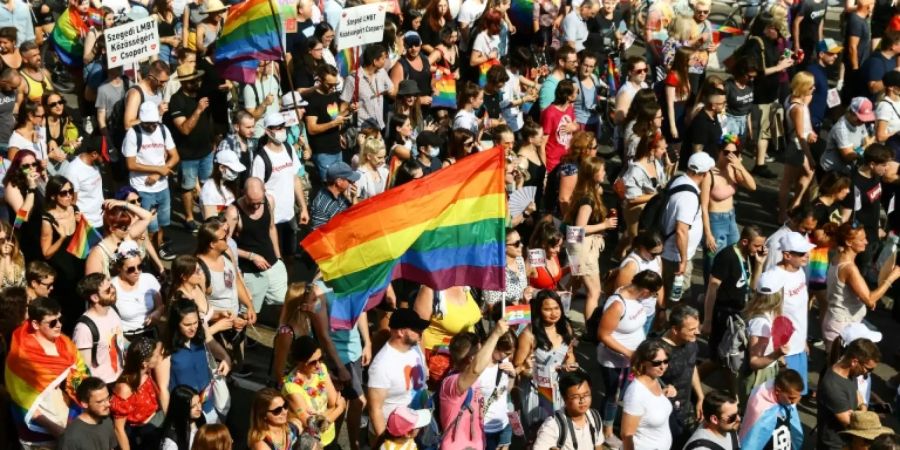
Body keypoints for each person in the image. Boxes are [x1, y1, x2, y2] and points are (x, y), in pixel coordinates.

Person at [5, 296, 89, 447]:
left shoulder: (65, 344)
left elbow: (79, 375)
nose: (59, 325)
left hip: (67, 420)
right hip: (40, 433)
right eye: (52, 322)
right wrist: (55, 429)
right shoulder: (21, 356)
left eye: (60, 319)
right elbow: (24, 402)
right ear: (36, 324)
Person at [823, 224, 900, 350]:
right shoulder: (849, 268)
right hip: (842, 327)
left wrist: (861, 299)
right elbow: (869, 299)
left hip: (836, 321)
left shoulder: (838, 256)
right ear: (848, 242)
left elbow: (848, 289)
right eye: (862, 239)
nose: (866, 241)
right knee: (840, 367)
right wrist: (891, 278)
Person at [437, 320, 510, 449]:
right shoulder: (451, 383)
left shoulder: (473, 380)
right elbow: (475, 369)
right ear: (472, 358)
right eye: (480, 353)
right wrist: (495, 335)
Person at [155, 299, 229, 423]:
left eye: (196, 323)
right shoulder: (164, 348)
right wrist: (172, 422)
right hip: (184, 413)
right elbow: (163, 389)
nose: (193, 328)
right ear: (175, 324)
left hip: (208, 405)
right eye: (187, 325)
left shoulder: (200, 335)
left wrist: (226, 358)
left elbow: (214, 346)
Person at [123, 101, 180, 260]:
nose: (151, 127)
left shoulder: (163, 129)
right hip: (142, 188)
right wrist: (157, 169)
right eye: (147, 124)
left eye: (154, 123)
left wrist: (158, 174)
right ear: (141, 120)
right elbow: (131, 164)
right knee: (144, 224)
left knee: (161, 223)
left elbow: (174, 156)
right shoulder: (133, 134)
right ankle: (144, 253)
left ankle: (158, 247)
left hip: (162, 186)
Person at [513, 290, 577, 430]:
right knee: (540, 431)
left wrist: (569, 364)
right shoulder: (529, 335)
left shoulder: (566, 328)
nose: (553, 313)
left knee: (559, 429)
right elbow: (517, 366)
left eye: (556, 308)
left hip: (560, 387)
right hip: (537, 390)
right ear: (538, 310)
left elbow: (570, 356)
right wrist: (527, 369)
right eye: (547, 309)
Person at [564, 156, 617, 319]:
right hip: (583, 248)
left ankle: (559, 312)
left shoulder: (590, 192)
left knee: (574, 283)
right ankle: (591, 328)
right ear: (593, 173)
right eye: (602, 170)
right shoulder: (587, 199)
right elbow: (579, 228)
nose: (605, 173)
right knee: (594, 291)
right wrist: (605, 225)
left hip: (578, 246)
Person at [251, 112, 310, 257]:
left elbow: (295, 179)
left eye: (282, 126)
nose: (281, 130)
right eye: (276, 128)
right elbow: (255, 192)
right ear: (267, 131)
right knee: (275, 258)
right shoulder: (261, 159)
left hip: (290, 216)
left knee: (290, 256)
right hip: (271, 220)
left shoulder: (289, 149)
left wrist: (303, 208)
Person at [702, 225, 766, 357]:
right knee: (717, 357)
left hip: (740, 313)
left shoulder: (751, 256)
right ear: (744, 242)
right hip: (723, 314)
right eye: (757, 245)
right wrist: (708, 321)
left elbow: (752, 287)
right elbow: (712, 289)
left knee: (731, 356)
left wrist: (759, 264)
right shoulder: (726, 257)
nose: (760, 249)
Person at [366, 308, 429, 437]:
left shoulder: (414, 348)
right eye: (415, 329)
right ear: (400, 332)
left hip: (415, 424)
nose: (420, 332)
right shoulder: (382, 366)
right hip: (394, 434)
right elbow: (375, 409)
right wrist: (386, 443)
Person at [661, 152, 714, 302]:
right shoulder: (689, 197)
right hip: (675, 257)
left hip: (670, 252)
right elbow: (681, 230)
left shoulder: (678, 180)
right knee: (678, 298)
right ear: (704, 173)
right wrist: (683, 260)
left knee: (666, 293)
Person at [231, 177, 288, 315]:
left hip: (273, 264)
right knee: (249, 311)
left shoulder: (269, 201)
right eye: (252, 203)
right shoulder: (233, 212)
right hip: (250, 272)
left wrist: (279, 257)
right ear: (243, 193)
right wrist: (251, 256)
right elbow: (226, 245)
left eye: (259, 202)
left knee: (283, 302)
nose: (256, 206)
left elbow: (271, 228)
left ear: (264, 191)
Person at [167, 64, 213, 231]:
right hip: (187, 155)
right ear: (184, 83)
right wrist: (198, 110)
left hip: (206, 151)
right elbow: (184, 129)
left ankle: (209, 214)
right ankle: (189, 217)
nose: (197, 83)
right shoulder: (176, 100)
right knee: (187, 187)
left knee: (207, 184)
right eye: (192, 81)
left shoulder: (202, 94)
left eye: (197, 79)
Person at [40, 175, 86, 332]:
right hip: (62, 273)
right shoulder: (48, 219)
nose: (68, 196)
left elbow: (84, 239)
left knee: (82, 306)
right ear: (53, 196)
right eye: (63, 193)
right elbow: (46, 253)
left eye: (70, 191)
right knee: (67, 313)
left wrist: (82, 224)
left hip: (78, 265)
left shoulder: (75, 209)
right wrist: (61, 238)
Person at [840, 144, 893, 278]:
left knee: (866, 267)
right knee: (857, 272)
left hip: (874, 233)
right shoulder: (855, 184)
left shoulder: (876, 176)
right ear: (872, 164)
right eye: (884, 165)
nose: (887, 168)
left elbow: (875, 202)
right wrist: (841, 242)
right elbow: (845, 217)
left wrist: (878, 226)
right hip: (861, 238)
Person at [818, 338, 881, 450]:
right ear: (854, 362)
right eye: (868, 369)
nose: (868, 373)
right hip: (837, 445)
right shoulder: (833, 386)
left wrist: (863, 407)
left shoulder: (850, 372)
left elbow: (857, 393)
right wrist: (869, 418)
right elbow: (851, 423)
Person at [283, 335, 346, 446]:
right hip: (310, 444)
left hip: (329, 437)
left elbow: (332, 404)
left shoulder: (321, 370)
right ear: (300, 361)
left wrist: (322, 419)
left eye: (320, 358)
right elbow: (313, 425)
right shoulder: (291, 388)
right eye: (313, 362)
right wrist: (340, 409)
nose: (318, 365)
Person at [739, 271, 789, 405]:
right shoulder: (761, 324)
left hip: (768, 370)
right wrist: (777, 354)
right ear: (778, 295)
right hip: (761, 376)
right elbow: (754, 362)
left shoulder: (766, 314)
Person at [660, 305, 704, 448]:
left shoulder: (690, 341)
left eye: (697, 327)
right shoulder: (657, 351)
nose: (697, 332)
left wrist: (700, 396)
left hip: (687, 408)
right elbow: (641, 381)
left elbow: (691, 367)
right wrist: (661, 391)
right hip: (666, 414)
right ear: (675, 330)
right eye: (692, 330)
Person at [110, 337, 163, 450]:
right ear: (144, 363)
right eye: (155, 356)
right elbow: (119, 429)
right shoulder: (125, 388)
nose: (158, 357)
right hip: (143, 434)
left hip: (157, 421)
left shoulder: (147, 372)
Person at [621, 339, 674, 450]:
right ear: (643, 362)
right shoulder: (635, 394)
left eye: (666, 361)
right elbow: (626, 435)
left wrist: (663, 395)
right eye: (657, 363)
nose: (663, 366)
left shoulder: (654, 379)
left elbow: (650, 404)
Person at [532, 369, 605, 450]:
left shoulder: (594, 417)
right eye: (575, 397)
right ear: (564, 399)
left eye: (586, 394)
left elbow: (598, 445)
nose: (582, 400)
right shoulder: (553, 425)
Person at [780, 71, 818, 221]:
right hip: (796, 147)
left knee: (807, 174)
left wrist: (810, 132)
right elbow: (800, 135)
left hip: (796, 145)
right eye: (810, 87)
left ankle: (793, 206)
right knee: (787, 181)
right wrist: (809, 157)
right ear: (803, 87)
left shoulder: (792, 99)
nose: (813, 89)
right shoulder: (798, 108)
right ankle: (784, 212)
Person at [73, 273, 124, 384]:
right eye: (107, 290)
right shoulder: (84, 328)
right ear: (95, 298)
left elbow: (120, 343)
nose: (113, 290)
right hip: (101, 385)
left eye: (112, 286)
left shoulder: (112, 310)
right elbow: (82, 369)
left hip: (120, 376)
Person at [739, 369, 804, 450]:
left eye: (799, 397)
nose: (795, 402)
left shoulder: (787, 399)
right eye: (791, 398)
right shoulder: (761, 407)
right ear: (777, 391)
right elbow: (752, 441)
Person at [342, 44, 395, 130]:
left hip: (379, 126)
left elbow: (391, 89)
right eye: (383, 58)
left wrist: (388, 91)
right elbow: (343, 105)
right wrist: (349, 109)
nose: (385, 61)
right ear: (375, 61)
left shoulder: (381, 72)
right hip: (363, 129)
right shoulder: (353, 79)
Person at [58, 377, 118, 450]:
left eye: (107, 398)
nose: (108, 404)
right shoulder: (71, 437)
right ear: (84, 404)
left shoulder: (106, 421)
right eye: (100, 402)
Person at [820, 97, 876, 175]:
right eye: (860, 118)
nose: (862, 122)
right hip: (832, 170)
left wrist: (865, 145)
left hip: (848, 169)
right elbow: (848, 156)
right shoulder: (841, 129)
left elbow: (866, 141)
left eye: (864, 119)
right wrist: (863, 148)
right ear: (851, 112)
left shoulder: (860, 123)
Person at [61, 135, 104, 228]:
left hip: (101, 219)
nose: (105, 161)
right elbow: (71, 202)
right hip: (86, 224)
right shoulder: (74, 171)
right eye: (103, 157)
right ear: (94, 154)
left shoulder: (95, 165)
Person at [542, 79, 579, 173]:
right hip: (553, 164)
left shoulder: (569, 107)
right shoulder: (549, 113)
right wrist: (544, 170)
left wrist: (574, 127)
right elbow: (542, 144)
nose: (578, 94)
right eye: (577, 92)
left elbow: (576, 125)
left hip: (568, 159)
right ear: (569, 97)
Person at [310, 161, 360, 228]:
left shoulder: (341, 193)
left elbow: (356, 214)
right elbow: (319, 234)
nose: (353, 183)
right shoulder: (321, 207)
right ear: (339, 182)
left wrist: (354, 197)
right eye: (350, 180)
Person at [160, 385, 205, 450]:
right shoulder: (170, 442)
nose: (199, 408)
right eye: (193, 406)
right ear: (182, 409)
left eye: (199, 402)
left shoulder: (199, 418)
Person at [0, 221, 25, 288]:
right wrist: (4, 257)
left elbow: (22, 282)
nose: (6, 243)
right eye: (1, 241)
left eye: (8, 238)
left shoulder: (19, 254)